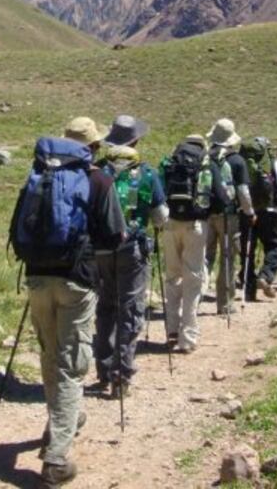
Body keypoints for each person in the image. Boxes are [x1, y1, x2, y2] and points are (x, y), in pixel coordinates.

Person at [12, 116, 126, 488]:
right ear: (94, 147)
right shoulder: (99, 180)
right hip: (77, 282)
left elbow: (17, 228)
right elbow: (112, 237)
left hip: (36, 276)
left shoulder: (39, 176)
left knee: (50, 356)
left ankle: (63, 420)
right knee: (72, 365)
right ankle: (57, 459)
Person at [93, 115, 168, 398]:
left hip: (100, 250)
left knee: (106, 306)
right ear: (135, 141)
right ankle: (121, 374)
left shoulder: (97, 170)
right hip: (133, 249)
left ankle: (102, 366)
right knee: (131, 309)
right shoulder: (147, 173)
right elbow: (160, 217)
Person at [159, 134, 214, 353]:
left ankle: (171, 330)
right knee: (193, 279)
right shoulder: (205, 162)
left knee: (172, 277)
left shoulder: (169, 161)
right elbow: (216, 194)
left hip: (170, 222)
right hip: (195, 224)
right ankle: (188, 336)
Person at [205, 119, 255, 315]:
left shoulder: (205, 157)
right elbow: (243, 192)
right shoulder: (237, 160)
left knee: (206, 257)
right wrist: (250, 212)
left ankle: (196, 294)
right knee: (227, 258)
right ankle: (224, 304)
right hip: (230, 216)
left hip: (206, 213)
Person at [239, 137, 277, 301]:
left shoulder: (240, 163)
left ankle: (248, 290)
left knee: (247, 251)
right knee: (274, 245)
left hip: (245, 211)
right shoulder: (272, 163)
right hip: (268, 210)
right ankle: (265, 276)